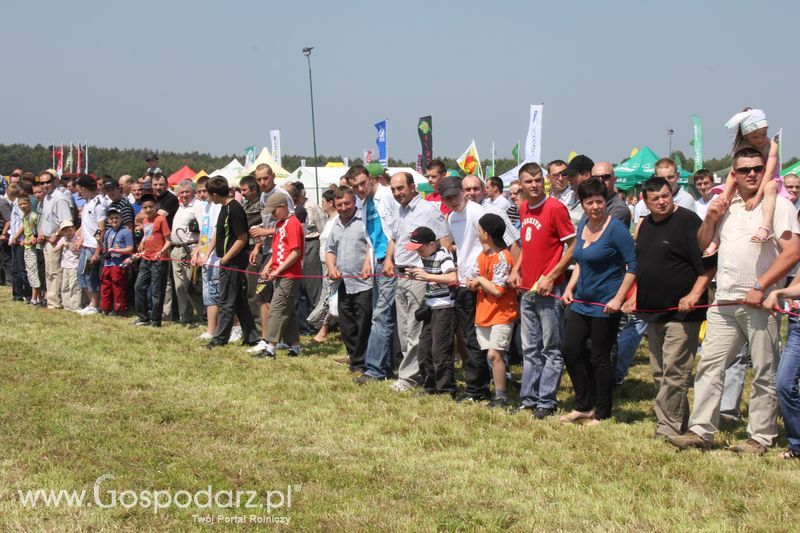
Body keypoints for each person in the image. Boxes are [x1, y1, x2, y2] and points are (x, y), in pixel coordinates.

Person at [668, 147, 800, 454]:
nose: (751, 174)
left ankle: (760, 436)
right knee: (709, 366)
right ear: (734, 174)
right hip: (724, 299)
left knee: (763, 373)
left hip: (758, 301)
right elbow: (703, 247)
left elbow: (793, 252)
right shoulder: (727, 205)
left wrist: (762, 285)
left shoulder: (778, 204)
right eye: (744, 170)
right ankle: (701, 430)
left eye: (757, 168)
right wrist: (711, 217)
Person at [623, 177, 714, 439]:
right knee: (660, 372)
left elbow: (707, 265)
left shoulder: (687, 221)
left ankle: (667, 428)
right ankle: (677, 420)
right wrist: (635, 296)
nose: (663, 201)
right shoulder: (646, 225)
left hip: (682, 312)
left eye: (666, 195)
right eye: (656, 199)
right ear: (645, 202)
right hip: (653, 311)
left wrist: (694, 294)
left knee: (675, 371)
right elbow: (645, 266)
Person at [561, 178, 637, 425]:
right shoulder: (583, 223)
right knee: (570, 349)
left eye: (599, 201)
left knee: (599, 358)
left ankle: (602, 413)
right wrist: (570, 288)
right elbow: (581, 261)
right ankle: (584, 404)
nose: (595, 206)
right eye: (589, 202)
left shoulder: (616, 229)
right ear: (582, 204)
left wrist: (618, 298)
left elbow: (633, 266)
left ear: (606, 201)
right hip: (581, 302)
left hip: (605, 305)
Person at [507, 162, 575, 418]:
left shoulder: (556, 208)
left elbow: (572, 246)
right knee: (529, 349)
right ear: (521, 185)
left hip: (549, 291)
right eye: (528, 181)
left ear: (544, 180)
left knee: (551, 349)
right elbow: (527, 244)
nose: (534, 185)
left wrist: (552, 276)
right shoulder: (523, 207)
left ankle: (546, 401)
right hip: (527, 290)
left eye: (537, 180)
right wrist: (516, 269)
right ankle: (528, 398)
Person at [384, 172, 450, 392]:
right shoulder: (399, 210)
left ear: (413, 187)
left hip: (419, 277)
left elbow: (444, 241)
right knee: (404, 330)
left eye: (400, 188)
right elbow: (395, 238)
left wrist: (433, 273)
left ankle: (409, 377)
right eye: (393, 189)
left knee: (414, 329)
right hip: (401, 276)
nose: (397, 193)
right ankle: (414, 372)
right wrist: (388, 260)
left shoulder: (428, 211)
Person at [347, 163, 400, 384]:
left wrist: (388, 259)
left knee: (381, 316)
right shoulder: (365, 203)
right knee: (381, 316)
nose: (360, 189)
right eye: (355, 186)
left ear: (371, 179)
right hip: (378, 262)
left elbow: (397, 230)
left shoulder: (387, 196)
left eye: (362, 183)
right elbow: (373, 236)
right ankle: (382, 365)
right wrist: (369, 261)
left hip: (392, 263)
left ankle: (376, 369)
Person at [466, 214, 518, 408]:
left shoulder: (503, 257)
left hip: (502, 313)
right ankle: (499, 390)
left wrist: (480, 281)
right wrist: (479, 282)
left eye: (479, 230)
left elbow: (497, 290)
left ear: (486, 234)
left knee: (494, 355)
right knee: (491, 355)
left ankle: (501, 396)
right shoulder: (482, 256)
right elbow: (469, 280)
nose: (478, 234)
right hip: (484, 312)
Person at [202, 177, 260, 349]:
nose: (209, 198)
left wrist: (225, 259)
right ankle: (251, 336)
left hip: (233, 262)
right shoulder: (224, 208)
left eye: (209, 195)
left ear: (214, 194)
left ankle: (219, 340)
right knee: (240, 300)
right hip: (226, 260)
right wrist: (207, 254)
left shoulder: (235, 209)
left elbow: (242, 239)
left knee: (226, 301)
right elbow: (218, 234)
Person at [716, 108, 781, 245]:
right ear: (746, 137)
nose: (760, 140)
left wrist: (757, 196)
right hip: (748, 181)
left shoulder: (772, 145)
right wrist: (725, 194)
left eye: (763, 134)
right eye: (755, 137)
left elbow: (769, 172)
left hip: (769, 179)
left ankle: (765, 227)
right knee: (724, 201)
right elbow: (733, 172)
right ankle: (716, 238)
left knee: (770, 187)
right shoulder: (742, 146)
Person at [325, 187, 373, 373]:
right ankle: (354, 358)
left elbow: (371, 246)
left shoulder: (364, 221)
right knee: (346, 325)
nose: (344, 208)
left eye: (347, 203)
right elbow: (330, 249)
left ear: (354, 201)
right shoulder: (336, 223)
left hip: (364, 283)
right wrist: (331, 267)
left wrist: (368, 264)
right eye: (339, 205)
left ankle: (362, 363)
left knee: (363, 325)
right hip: (343, 283)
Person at [406, 226, 457, 396]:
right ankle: (430, 387)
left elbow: (453, 278)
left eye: (420, 248)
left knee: (440, 350)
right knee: (424, 349)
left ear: (431, 244)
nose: (418, 252)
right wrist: (414, 274)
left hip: (444, 308)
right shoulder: (425, 257)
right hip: (430, 307)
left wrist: (427, 277)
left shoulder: (443, 256)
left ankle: (446, 389)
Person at [256, 192, 304, 357]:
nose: (272, 214)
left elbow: (295, 252)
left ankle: (270, 348)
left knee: (276, 310)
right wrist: (268, 266)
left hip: (289, 275)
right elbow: (277, 250)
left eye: (274, 211)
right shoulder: (279, 224)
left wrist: (278, 270)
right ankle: (296, 347)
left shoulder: (293, 224)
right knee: (287, 311)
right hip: (278, 273)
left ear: (283, 207)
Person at [133, 194, 171, 327]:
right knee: (139, 287)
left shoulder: (161, 220)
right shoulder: (145, 221)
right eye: (145, 208)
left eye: (151, 207)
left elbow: (168, 241)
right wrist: (142, 242)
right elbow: (147, 234)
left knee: (157, 291)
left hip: (158, 260)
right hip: (146, 258)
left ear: (156, 206)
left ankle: (155, 320)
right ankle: (143, 318)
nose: (148, 210)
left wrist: (162, 251)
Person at [192, 175, 222, 341]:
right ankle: (211, 329)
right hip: (204, 258)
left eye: (205, 191)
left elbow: (216, 233)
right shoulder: (205, 208)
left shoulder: (217, 207)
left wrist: (208, 254)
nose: (202, 195)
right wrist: (197, 251)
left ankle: (231, 327)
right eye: (199, 192)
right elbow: (204, 233)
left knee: (217, 295)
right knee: (208, 296)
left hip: (215, 259)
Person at [170, 179, 204, 325]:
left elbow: (204, 230)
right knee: (179, 286)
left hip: (190, 248)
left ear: (193, 192)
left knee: (192, 286)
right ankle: (186, 316)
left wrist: (197, 250)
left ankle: (204, 315)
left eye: (187, 192)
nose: (184, 195)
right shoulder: (181, 207)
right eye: (181, 192)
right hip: (176, 249)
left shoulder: (197, 206)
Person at [36, 170, 72, 309]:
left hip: (55, 241)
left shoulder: (59, 198)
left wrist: (56, 235)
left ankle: (55, 303)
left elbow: (66, 221)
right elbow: (46, 218)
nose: (45, 185)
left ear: (54, 182)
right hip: (45, 239)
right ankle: (51, 300)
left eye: (47, 182)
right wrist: (40, 231)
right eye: (42, 183)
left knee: (54, 272)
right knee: (49, 271)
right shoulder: (47, 197)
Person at [75, 174, 106, 315]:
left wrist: (97, 251)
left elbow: (101, 229)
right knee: (81, 274)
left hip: (94, 246)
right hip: (86, 245)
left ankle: (95, 304)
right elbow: (86, 225)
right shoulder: (88, 202)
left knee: (88, 275)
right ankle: (91, 302)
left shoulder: (99, 203)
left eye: (78, 189)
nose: (77, 193)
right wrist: (80, 238)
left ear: (83, 188)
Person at [99, 208, 134, 315]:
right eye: (111, 218)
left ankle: (119, 310)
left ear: (121, 218)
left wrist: (116, 250)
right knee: (106, 287)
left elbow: (130, 248)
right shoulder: (108, 232)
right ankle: (106, 308)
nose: (114, 220)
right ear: (108, 220)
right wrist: (98, 241)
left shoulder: (126, 232)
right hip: (107, 263)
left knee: (118, 287)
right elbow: (104, 248)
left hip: (119, 264)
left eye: (116, 218)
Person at [13, 195, 43, 306]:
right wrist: (20, 238)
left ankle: (34, 299)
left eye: (24, 203)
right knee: (30, 272)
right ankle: (38, 298)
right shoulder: (25, 216)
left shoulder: (33, 216)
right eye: (20, 204)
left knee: (33, 273)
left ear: (30, 203)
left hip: (33, 249)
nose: (22, 206)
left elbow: (37, 232)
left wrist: (31, 240)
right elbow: (26, 229)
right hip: (27, 247)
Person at [54, 220, 82, 311]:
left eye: (70, 230)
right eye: (65, 231)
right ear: (62, 232)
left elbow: (79, 251)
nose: (68, 233)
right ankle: (67, 305)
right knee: (65, 285)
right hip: (65, 265)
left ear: (74, 229)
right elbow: (55, 250)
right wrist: (62, 245)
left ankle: (75, 305)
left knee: (74, 285)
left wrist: (72, 245)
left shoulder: (78, 239)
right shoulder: (63, 239)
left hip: (75, 265)